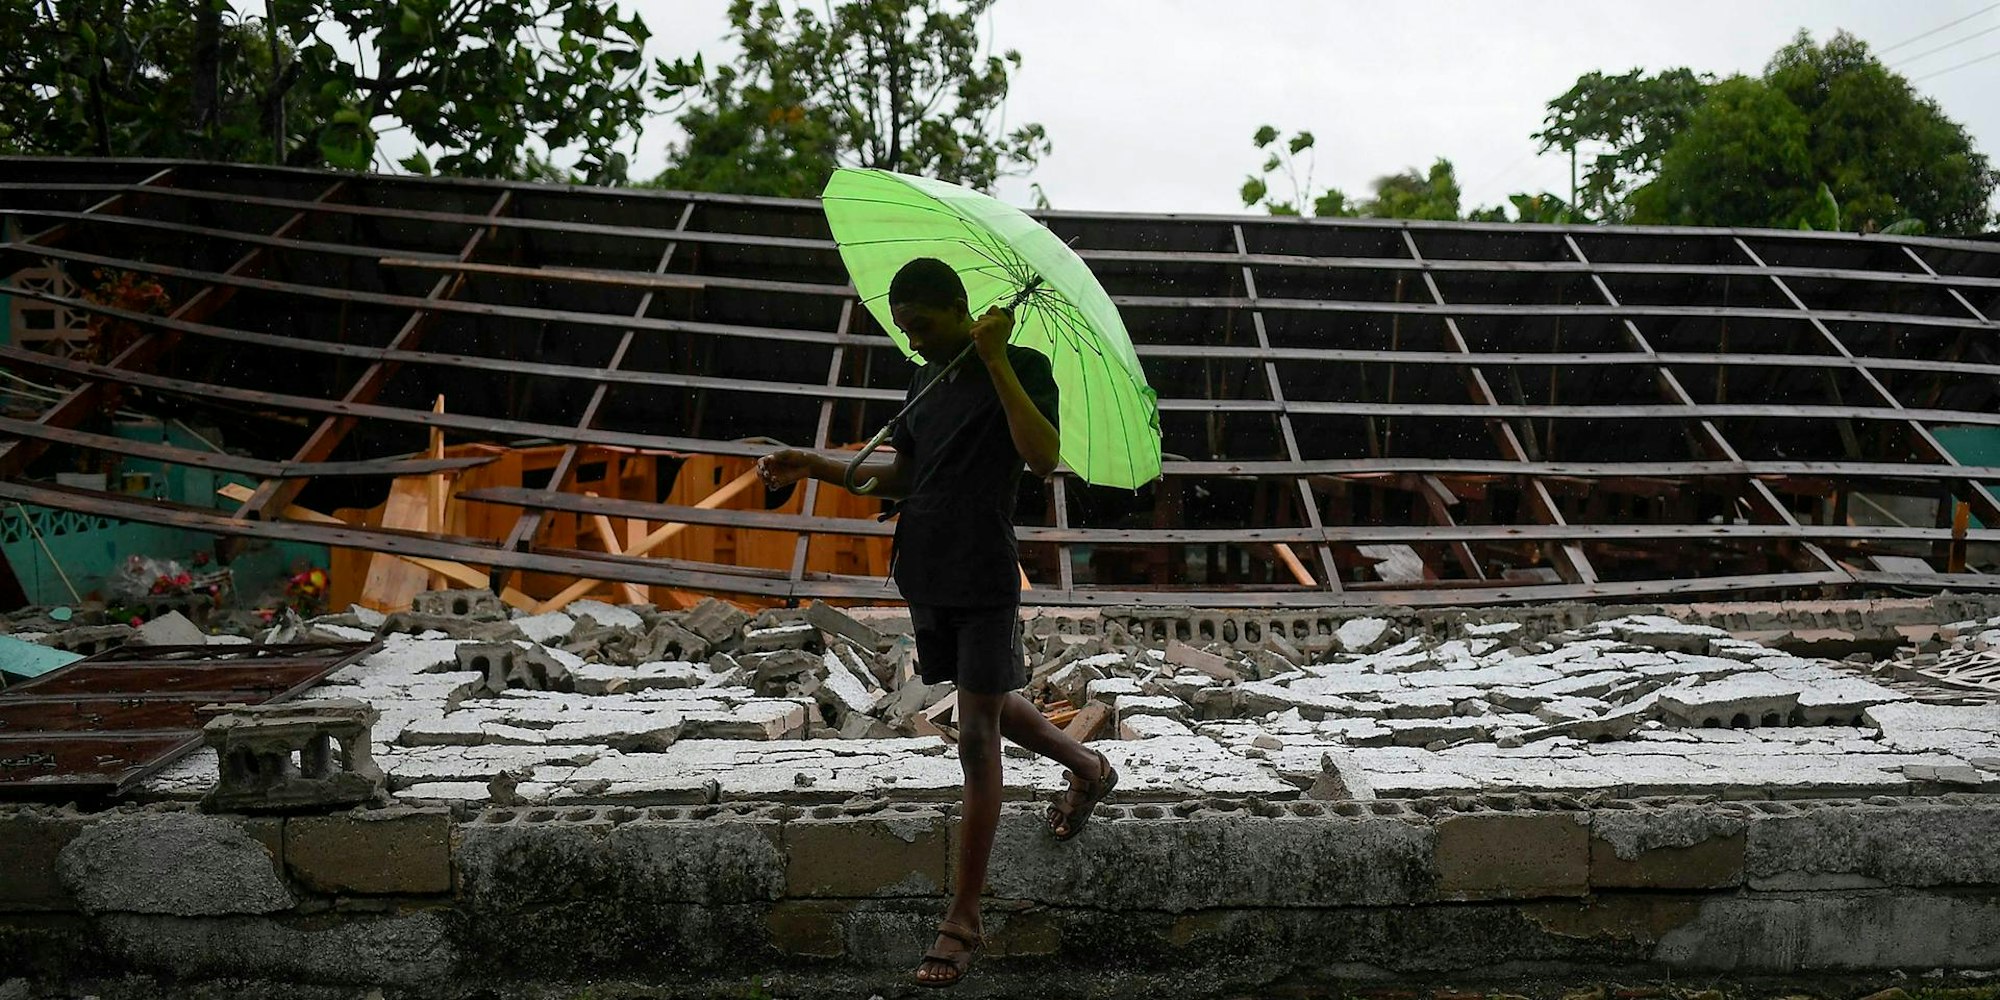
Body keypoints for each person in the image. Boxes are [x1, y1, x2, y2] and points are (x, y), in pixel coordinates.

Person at [757, 257, 1118, 988]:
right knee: (985, 697)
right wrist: (815, 465)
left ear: (959, 308)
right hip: (924, 563)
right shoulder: (924, 379)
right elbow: (904, 476)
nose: (914, 342)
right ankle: (1088, 765)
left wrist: (993, 359)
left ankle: (963, 920)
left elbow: (1041, 455)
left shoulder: (1020, 364)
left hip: (984, 566)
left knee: (977, 734)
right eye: (906, 330)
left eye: (923, 326)